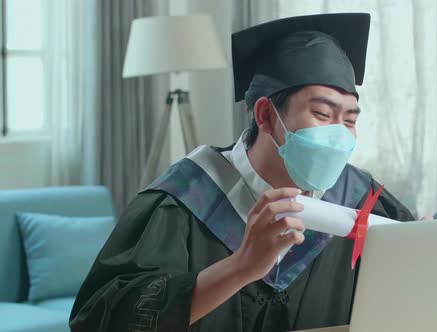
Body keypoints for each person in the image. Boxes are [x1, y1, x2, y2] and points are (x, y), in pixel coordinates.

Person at [70, 13, 414, 332]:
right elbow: (103, 318)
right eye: (323, 115)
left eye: (350, 120)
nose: (339, 135)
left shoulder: (361, 199)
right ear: (265, 115)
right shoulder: (185, 197)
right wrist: (241, 267)